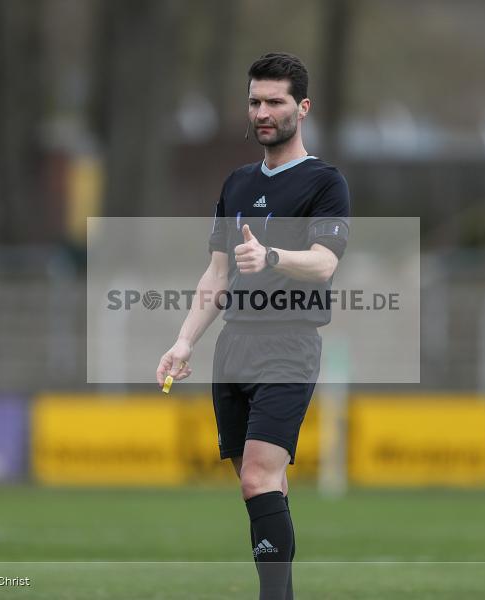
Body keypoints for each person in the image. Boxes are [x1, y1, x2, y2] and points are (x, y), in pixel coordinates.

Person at [156, 52, 350, 600]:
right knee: (263, 488)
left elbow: (324, 262)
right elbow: (216, 274)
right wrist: (183, 340)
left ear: (302, 108)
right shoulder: (237, 183)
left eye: (275, 101)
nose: (262, 112)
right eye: (255, 101)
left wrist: (269, 257)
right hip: (232, 346)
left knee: (257, 478)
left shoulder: (325, 183)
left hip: (288, 342)